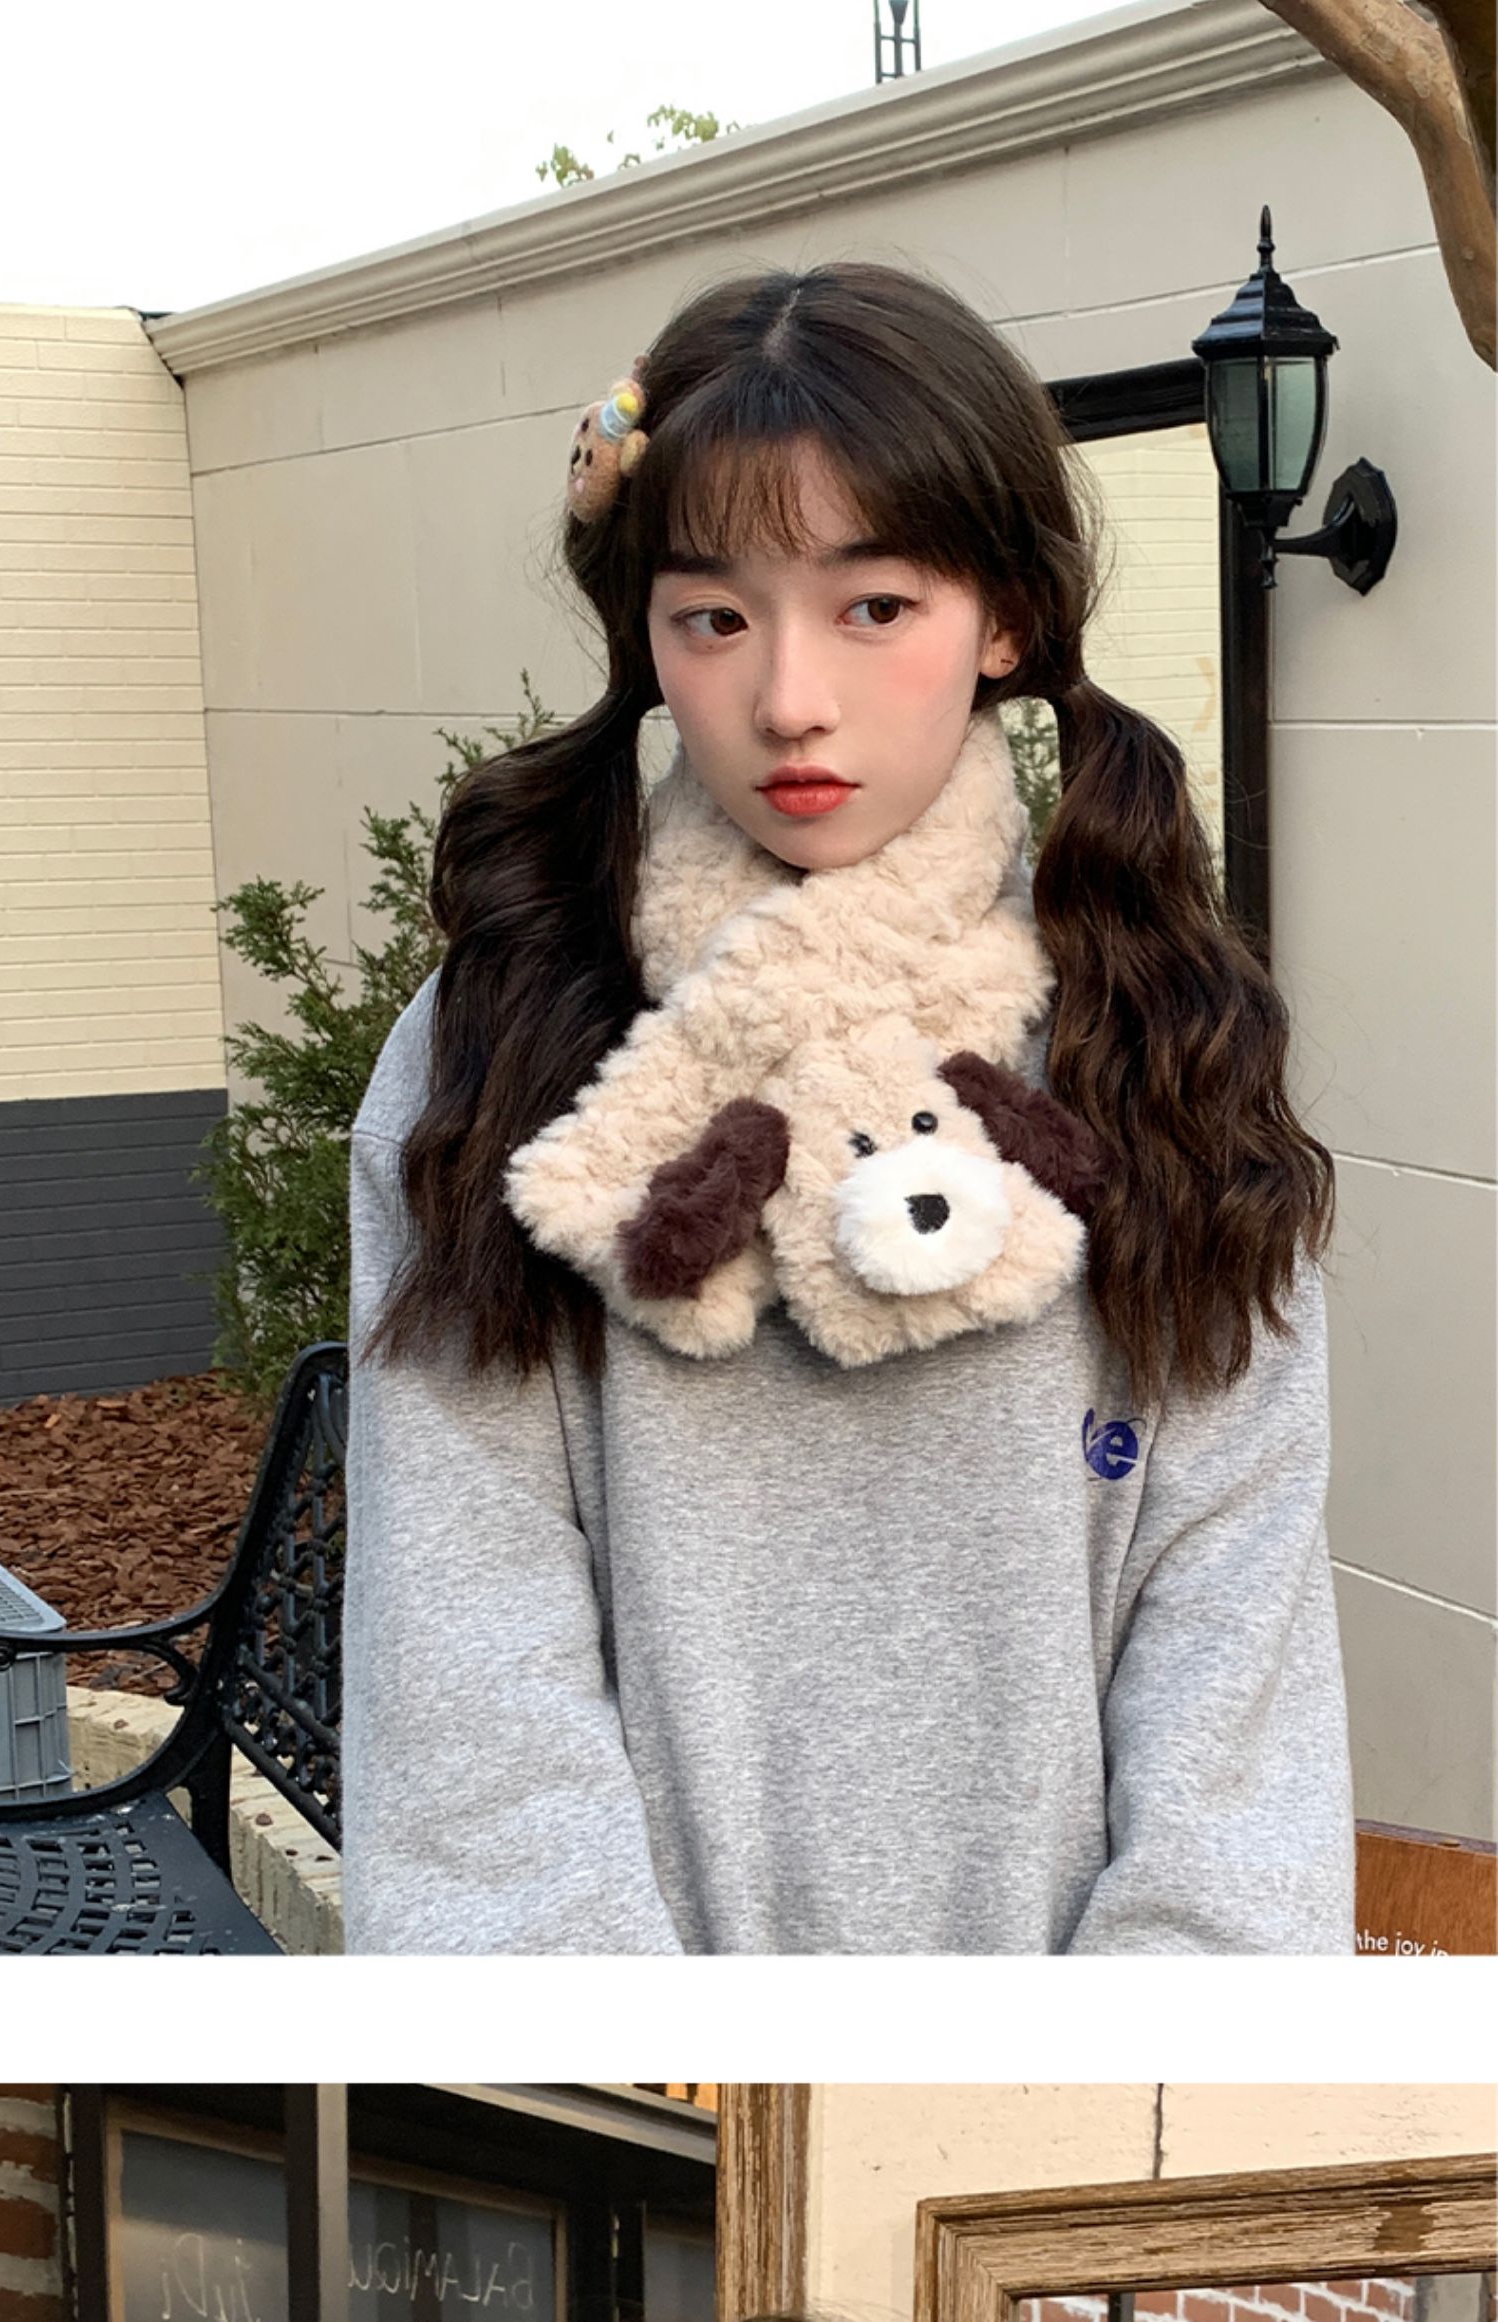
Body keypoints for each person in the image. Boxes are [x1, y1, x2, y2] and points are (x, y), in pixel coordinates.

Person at [340, 260, 1355, 1954]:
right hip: (632, 2083)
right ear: (646, 633)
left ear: (1004, 621)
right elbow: (470, 1696)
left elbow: (1233, 1704)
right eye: (713, 616)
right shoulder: (504, 1044)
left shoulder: (1158, 1042)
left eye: (874, 605)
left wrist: (1100, 2099)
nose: (789, 697)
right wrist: (630, 2084)